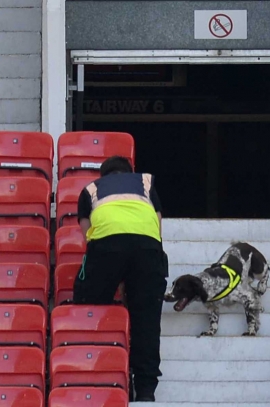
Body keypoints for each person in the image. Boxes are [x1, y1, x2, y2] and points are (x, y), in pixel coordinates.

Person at [73, 155, 168, 403]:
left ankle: (96, 369)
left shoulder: (91, 189)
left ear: (103, 175)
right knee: (146, 321)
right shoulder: (146, 183)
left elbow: (88, 234)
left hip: (106, 245)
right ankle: (145, 391)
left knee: (89, 304)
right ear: (129, 172)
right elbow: (157, 225)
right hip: (148, 248)